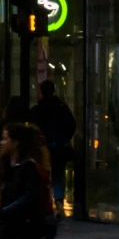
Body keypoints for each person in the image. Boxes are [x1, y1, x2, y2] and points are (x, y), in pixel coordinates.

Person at [32, 78, 79, 213]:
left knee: (43, 174)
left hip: (43, 147)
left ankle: (46, 202)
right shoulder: (61, 108)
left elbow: (33, 128)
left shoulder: (37, 110)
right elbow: (71, 125)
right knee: (58, 175)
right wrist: (63, 139)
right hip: (59, 147)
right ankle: (58, 202)